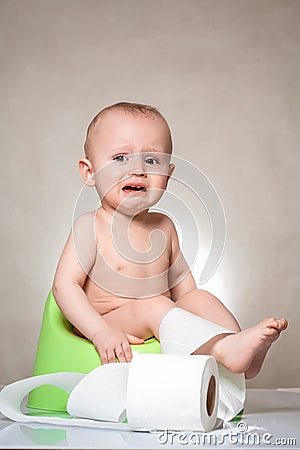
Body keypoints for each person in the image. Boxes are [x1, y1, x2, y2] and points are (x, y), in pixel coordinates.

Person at [53, 102, 287, 379]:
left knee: (199, 298)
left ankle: (237, 350)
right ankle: (225, 351)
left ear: (168, 175)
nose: (138, 169)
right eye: (120, 158)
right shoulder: (89, 226)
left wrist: (194, 311)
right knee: (155, 304)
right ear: (89, 172)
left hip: (158, 319)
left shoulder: (164, 227)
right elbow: (64, 287)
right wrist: (99, 330)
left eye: (151, 161)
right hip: (108, 322)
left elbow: (185, 292)